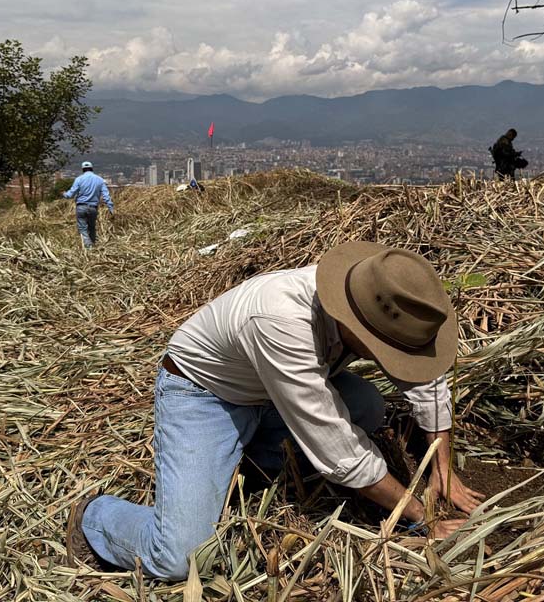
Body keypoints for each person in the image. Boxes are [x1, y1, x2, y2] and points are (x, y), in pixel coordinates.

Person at [66, 242, 485, 579]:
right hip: (205, 395)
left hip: (270, 391)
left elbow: (425, 379)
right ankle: (96, 517)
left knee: (368, 407)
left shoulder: (380, 291)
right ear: (357, 329)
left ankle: (250, 462)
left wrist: (441, 468)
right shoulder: (282, 320)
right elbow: (339, 450)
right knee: (179, 557)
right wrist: (419, 516)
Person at [63, 161, 114, 248]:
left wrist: (64, 194)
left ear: (83, 169)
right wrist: (111, 208)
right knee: (92, 227)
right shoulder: (100, 180)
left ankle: (88, 247)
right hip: (93, 208)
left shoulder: (79, 179)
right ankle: (93, 245)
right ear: (92, 168)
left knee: (83, 229)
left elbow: (70, 194)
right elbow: (106, 195)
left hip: (81, 207)